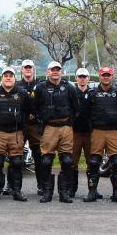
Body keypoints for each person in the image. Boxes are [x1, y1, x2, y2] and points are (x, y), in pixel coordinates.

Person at [31, 61, 80, 203]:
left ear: (61, 72)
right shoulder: (40, 88)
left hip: (66, 127)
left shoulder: (69, 87)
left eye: (58, 69)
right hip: (49, 128)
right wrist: (41, 119)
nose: (55, 72)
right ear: (48, 72)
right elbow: (33, 106)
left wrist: (69, 122)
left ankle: (64, 193)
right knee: (46, 161)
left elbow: (76, 108)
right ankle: (47, 192)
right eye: (52, 69)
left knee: (67, 160)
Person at [0, 66, 30, 201]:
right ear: (2, 78)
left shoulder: (23, 94)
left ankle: (16, 191)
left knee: (17, 162)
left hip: (16, 133)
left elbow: (27, 112)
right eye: (6, 76)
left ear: (15, 78)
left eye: (11, 76)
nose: (8, 78)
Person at [83, 67, 117, 203]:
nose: (106, 77)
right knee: (94, 162)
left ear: (112, 77)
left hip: (113, 131)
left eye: (108, 75)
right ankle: (92, 192)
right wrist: (91, 127)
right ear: (100, 76)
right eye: (104, 75)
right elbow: (85, 113)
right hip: (97, 131)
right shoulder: (92, 93)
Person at [18, 59, 43, 193]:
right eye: (25, 67)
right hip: (20, 125)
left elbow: (44, 104)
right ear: (21, 69)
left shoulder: (41, 85)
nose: (28, 69)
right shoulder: (16, 85)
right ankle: (12, 186)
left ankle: (42, 186)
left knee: (39, 156)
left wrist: (36, 114)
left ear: (34, 69)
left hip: (35, 125)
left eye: (30, 67)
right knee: (15, 156)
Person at [70, 68, 93, 199]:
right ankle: (72, 189)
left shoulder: (93, 93)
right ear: (76, 78)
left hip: (90, 133)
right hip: (75, 133)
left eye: (84, 76)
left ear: (88, 78)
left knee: (92, 162)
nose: (82, 79)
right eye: (80, 76)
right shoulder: (72, 92)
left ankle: (92, 189)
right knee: (73, 162)